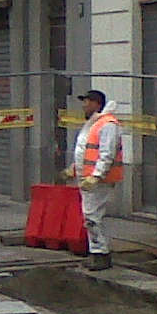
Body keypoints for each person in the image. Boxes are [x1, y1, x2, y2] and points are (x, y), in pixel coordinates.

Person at [63, 88, 123, 270]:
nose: (84, 105)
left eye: (87, 102)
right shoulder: (94, 123)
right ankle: (98, 252)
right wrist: (75, 169)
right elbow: (87, 151)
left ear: (97, 104)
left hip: (98, 181)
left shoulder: (108, 125)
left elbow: (107, 154)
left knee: (92, 217)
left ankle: (100, 254)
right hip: (89, 179)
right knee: (92, 216)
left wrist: (96, 176)